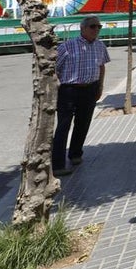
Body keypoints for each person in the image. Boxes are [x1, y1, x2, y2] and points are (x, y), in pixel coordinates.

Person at [52, 15, 110, 176]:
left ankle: (76, 154)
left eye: (99, 27)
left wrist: (100, 86)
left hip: (90, 89)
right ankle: (57, 164)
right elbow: (54, 68)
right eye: (92, 26)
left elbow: (101, 66)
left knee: (83, 123)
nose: (96, 30)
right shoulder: (67, 46)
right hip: (69, 90)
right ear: (82, 28)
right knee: (63, 126)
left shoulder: (100, 46)